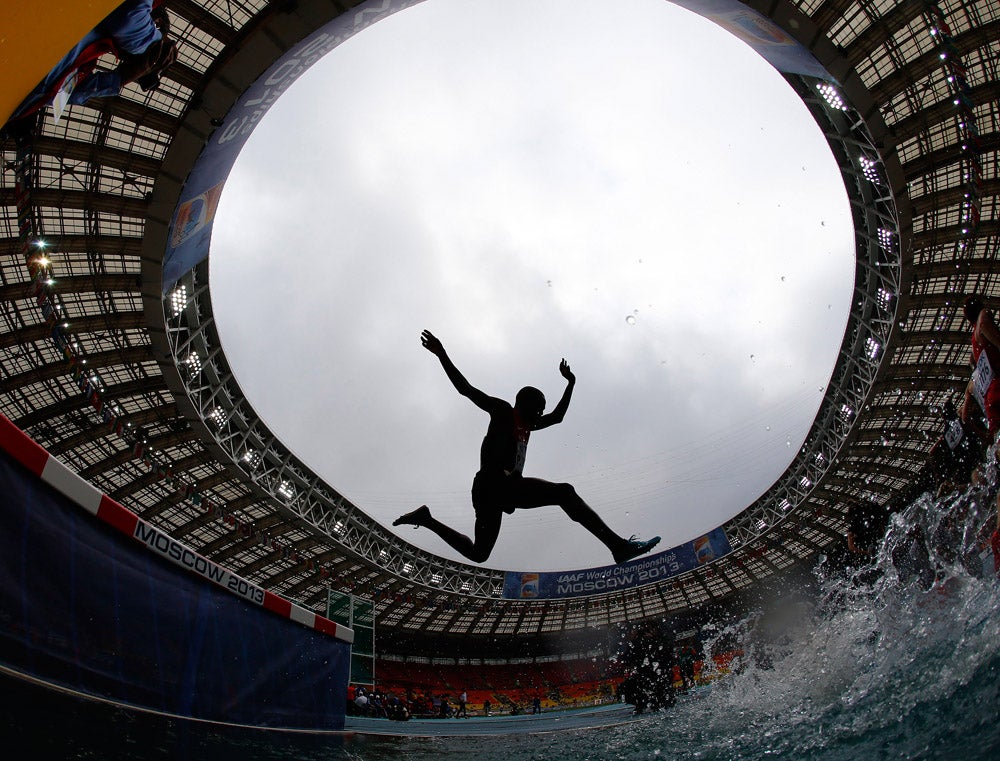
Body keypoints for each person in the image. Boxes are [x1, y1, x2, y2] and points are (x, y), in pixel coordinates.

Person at [393, 330, 660, 565]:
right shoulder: (502, 412)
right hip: (492, 484)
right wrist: (441, 354)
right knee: (563, 494)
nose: (541, 413)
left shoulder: (528, 426)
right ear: (525, 404)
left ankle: (426, 519)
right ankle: (619, 547)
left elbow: (557, 418)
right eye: (539, 408)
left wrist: (571, 384)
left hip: (502, 491)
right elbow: (466, 389)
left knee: (479, 554)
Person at [4, 0, 177, 135]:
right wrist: (155, 44)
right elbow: (128, 18)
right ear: (156, 22)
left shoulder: (88, 56)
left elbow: (62, 95)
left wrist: (121, 78)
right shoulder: (114, 19)